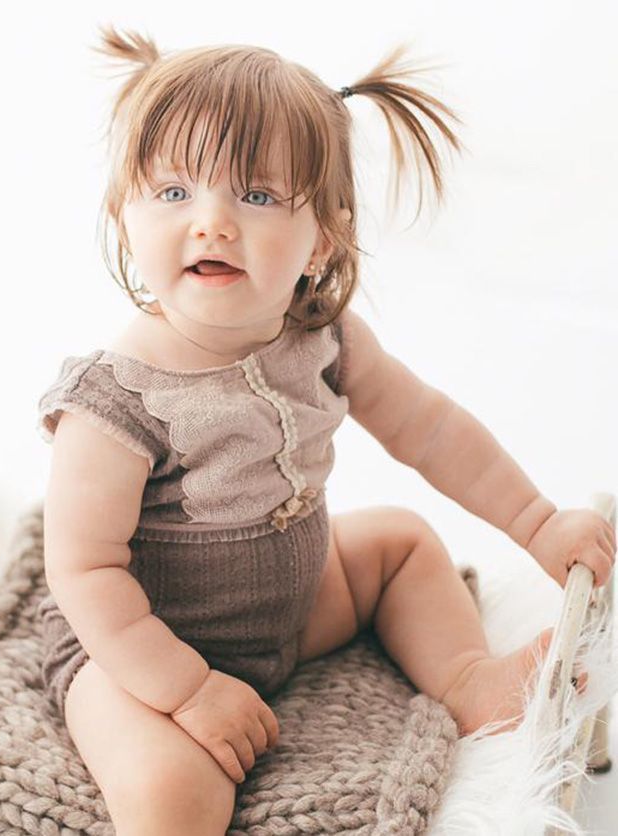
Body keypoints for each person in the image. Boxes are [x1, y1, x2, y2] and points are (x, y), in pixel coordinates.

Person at [35, 23, 615, 836]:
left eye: (257, 195)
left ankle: (467, 679)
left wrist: (537, 522)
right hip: (136, 644)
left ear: (324, 241)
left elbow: (431, 430)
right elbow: (84, 571)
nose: (211, 222)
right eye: (173, 193)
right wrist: (188, 691)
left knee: (401, 543)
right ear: (122, 216)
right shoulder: (116, 400)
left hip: (298, 605)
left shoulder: (323, 337)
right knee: (174, 791)